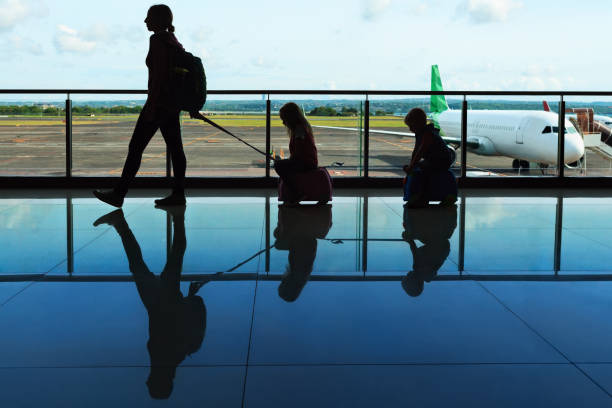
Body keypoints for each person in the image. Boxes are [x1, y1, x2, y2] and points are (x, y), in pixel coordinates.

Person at [93, 206, 208, 399]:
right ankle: (126, 223)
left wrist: (189, 299)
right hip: (159, 302)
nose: (146, 380)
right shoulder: (167, 358)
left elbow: (189, 323)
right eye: (150, 382)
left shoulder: (176, 357)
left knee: (170, 257)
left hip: (162, 302)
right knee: (145, 263)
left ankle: (174, 218)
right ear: (156, 380)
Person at [93, 4, 201, 208]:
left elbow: (159, 78)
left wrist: (152, 107)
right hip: (171, 106)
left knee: (135, 148)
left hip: (158, 104)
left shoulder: (158, 40)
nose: (145, 21)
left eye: (148, 17)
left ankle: (119, 194)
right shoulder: (173, 41)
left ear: (158, 20)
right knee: (176, 150)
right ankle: (178, 194)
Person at [403, 107, 455, 208]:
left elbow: (420, 151)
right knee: (418, 168)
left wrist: (411, 167)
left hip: (440, 161)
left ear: (418, 123)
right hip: (436, 159)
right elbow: (416, 151)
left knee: (420, 173)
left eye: (411, 126)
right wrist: (411, 165)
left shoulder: (427, 134)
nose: (410, 129)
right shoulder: (422, 132)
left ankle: (420, 197)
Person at [274, 102, 319, 205]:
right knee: (281, 164)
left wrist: (288, 160)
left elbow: (299, 151)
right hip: (307, 161)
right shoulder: (301, 128)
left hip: (306, 162)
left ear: (290, 118)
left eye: (284, 119)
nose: (283, 123)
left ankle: (296, 193)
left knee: (278, 165)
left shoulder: (299, 130)